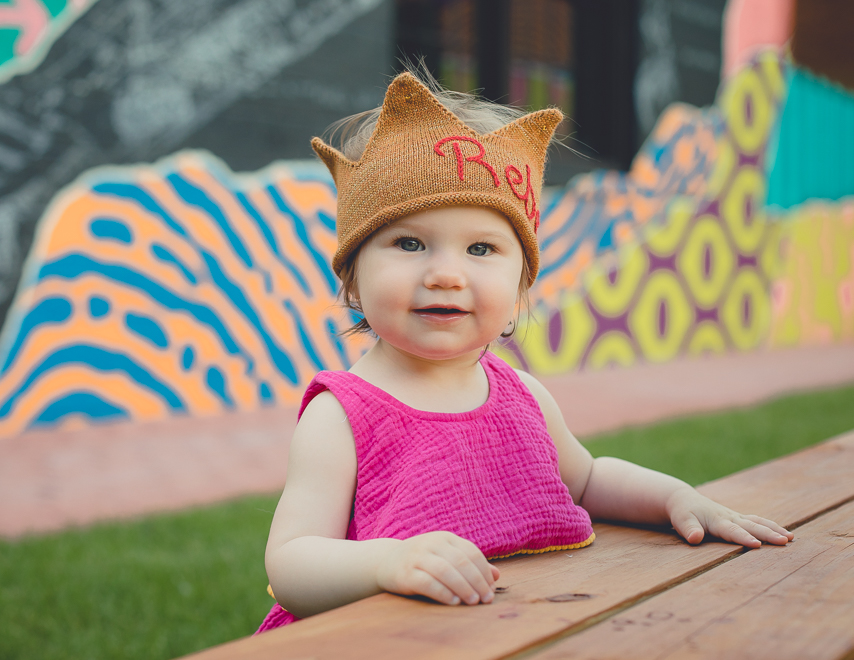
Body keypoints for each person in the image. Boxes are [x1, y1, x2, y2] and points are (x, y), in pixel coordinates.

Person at [256, 69, 792, 633]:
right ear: (354, 281)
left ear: (519, 291)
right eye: (408, 243)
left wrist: (674, 499)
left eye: (481, 248)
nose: (444, 273)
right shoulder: (342, 416)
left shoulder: (523, 396)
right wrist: (388, 562)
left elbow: (585, 480)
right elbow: (292, 562)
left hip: (501, 628)